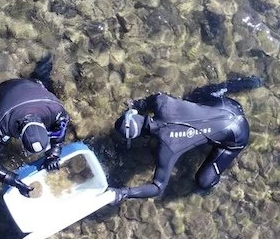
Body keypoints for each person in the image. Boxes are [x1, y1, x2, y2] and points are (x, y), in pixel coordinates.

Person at [109, 76, 262, 204]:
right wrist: (137, 104)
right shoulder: (160, 101)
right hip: (229, 106)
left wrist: (123, 192)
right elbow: (144, 103)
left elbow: (157, 187)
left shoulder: (168, 148)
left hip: (238, 136)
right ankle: (249, 82)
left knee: (203, 182)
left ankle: (220, 178)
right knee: (193, 96)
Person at [0, 23, 69, 197]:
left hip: (33, 90)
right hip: (5, 90)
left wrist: (54, 153)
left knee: (43, 82)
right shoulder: (2, 125)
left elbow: (61, 128)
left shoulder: (57, 111)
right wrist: (14, 181)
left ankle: (47, 54)